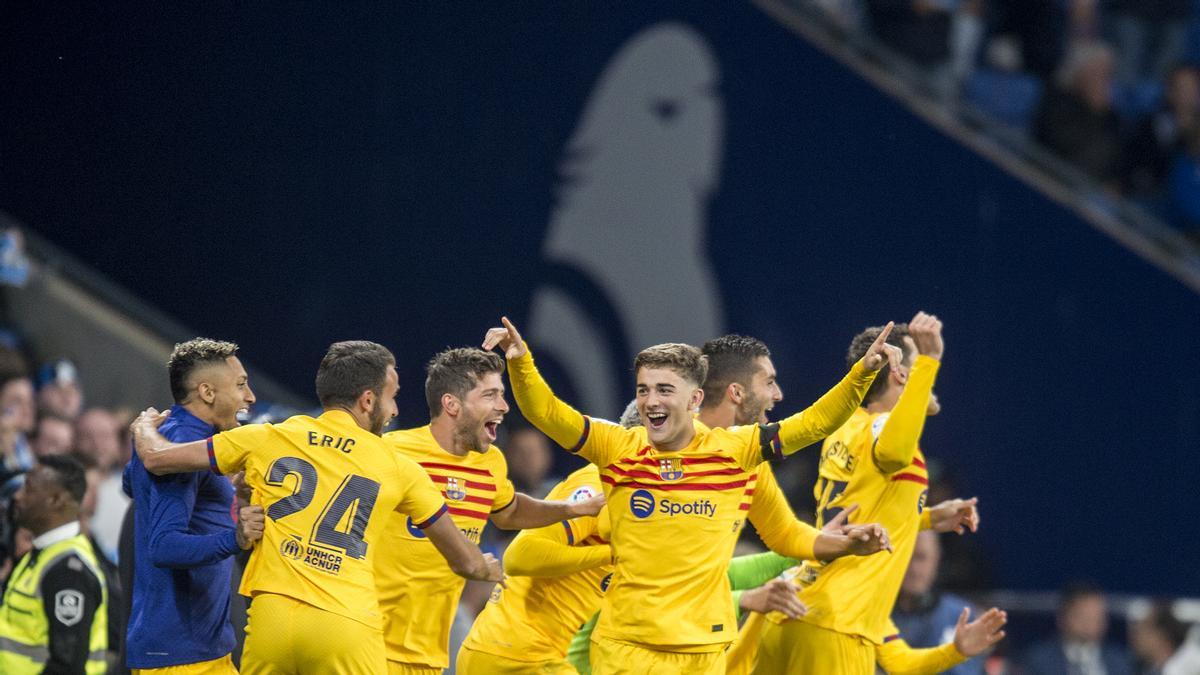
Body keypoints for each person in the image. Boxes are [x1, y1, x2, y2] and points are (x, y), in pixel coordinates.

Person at [483, 316, 897, 674]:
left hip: (703, 652)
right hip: (626, 649)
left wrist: (839, 546)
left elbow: (812, 428)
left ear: (695, 399)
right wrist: (521, 362)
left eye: (664, 390)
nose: (650, 401)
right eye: (643, 390)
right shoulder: (616, 448)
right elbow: (548, 412)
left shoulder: (739, 452)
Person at [128, 340, 503, 674]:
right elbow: (463, 562)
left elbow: (157, 459)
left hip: (270, 622)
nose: (393, 410)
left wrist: (143, 427)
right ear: (367, 400)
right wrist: (485, 568)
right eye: (391, 397)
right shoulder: (398, 465)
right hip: (345, 624)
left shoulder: (269, 436)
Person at [753, 313, 969, 674]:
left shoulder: (846, 427)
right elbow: (894, 453)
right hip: (838, 625)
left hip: (792, 612)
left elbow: (862, 512)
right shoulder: (887, 432)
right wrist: (930, 361)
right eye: (917, 369)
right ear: (902, 373)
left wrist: (929, 518)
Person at [376, 347, 604, 675]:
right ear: (451, 404)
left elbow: (508, 512)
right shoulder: (394, 453)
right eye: (490, 395)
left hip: (427, 650)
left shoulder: (490, 462)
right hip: (371, 638)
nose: (504, 406)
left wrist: (570, 508)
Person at [122, 338, 264, 674]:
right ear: (208, 392)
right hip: (182, 654)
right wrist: (236, 539)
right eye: (241, 385)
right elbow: (164, 546)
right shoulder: (185, 446)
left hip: (196, 647)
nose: (250, 397)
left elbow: (130, 483)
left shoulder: (168, 439)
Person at [0, 455, 109, 673]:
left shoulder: (68, 571)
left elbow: (67, 665)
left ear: (56, 500)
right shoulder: (40, 556)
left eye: (28, 488)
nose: (18, 497)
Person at [890, 531, 986, 674]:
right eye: (907, 556)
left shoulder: (961, 617)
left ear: (937, 559)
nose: (914, 569)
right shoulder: (877, 615)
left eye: (921, 558)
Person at [1033, 41, 1122, 185]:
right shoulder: (1057, 98)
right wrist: (1095, 113)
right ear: (1079, 72)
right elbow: (1061, 144)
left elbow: (1117, 156)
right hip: (1049, 176)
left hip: (1092, 188)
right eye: (1098, 74)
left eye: (1108, 75)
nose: (1104, 82)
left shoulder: (1111, 115)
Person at [1022, 581, 1134, 675]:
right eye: (1084, 615)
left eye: (1098, 615)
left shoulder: (1120, 662)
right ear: (1062, 617)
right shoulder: (1039, 661)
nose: (1091, 622)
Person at [1130, 601, 1193, 675]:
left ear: (1160, 635)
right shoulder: (1151, 669)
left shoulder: (1190, 665)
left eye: (1143, 630)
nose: (1135, 637)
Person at [504, 426, 559, 499]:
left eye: (532, 452)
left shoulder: (564, 493)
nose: (527, 458)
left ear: (547, 456)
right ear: (507, 456)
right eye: (521, 452)